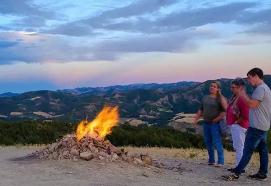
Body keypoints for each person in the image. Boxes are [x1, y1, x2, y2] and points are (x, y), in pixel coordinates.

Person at [223, 68, 271, 181]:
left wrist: (242, 94)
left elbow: (252, 105)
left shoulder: (260, 89)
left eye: (249, 78)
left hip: (257, 127)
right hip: (263, 126)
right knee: (263, 151)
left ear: (256, 76)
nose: (249, 81)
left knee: (247, 150)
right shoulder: (266, 88)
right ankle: (262, 173)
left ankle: (236, 173)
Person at [194, 81, 227, 167]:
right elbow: (201, 109)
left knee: (217, 142)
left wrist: (215, 120)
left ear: (218, 89)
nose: (212, 87)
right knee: (208, 142)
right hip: (206, 123)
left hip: (215, 124)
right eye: (211, 86)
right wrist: (196, 119)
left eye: (214, 86)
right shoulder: (205, 98)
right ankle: (211, 160)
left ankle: (221, 161)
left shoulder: (220, 99)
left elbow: (224, 113)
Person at [226, 78, 249, 171]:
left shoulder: (242, 98)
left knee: (239, 146)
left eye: (233, 87)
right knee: (237, 146)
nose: (232, 89)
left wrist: (236, 122)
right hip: (235, 126)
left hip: (239, 126)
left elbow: (246, 114)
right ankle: (238, 166)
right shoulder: (236, 97)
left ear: (240, 88)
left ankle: (240, 167)